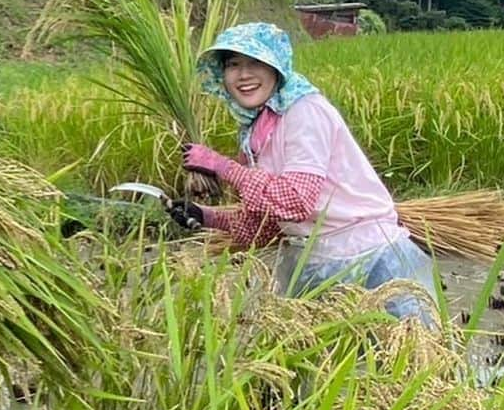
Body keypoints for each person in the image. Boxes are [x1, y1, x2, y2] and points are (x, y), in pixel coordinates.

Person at [165, 21, 437, 322]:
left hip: (371, 260)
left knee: (405, 360)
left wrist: (222, 166)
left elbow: (295, 201)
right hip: (315, 260)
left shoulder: (304, 112)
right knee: (320, 365)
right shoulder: (258, 128)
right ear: (222, 75)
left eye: (256, 62)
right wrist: (206, 216)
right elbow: (270, 225)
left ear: (276, 68)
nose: (243, 75)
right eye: (233, 65)